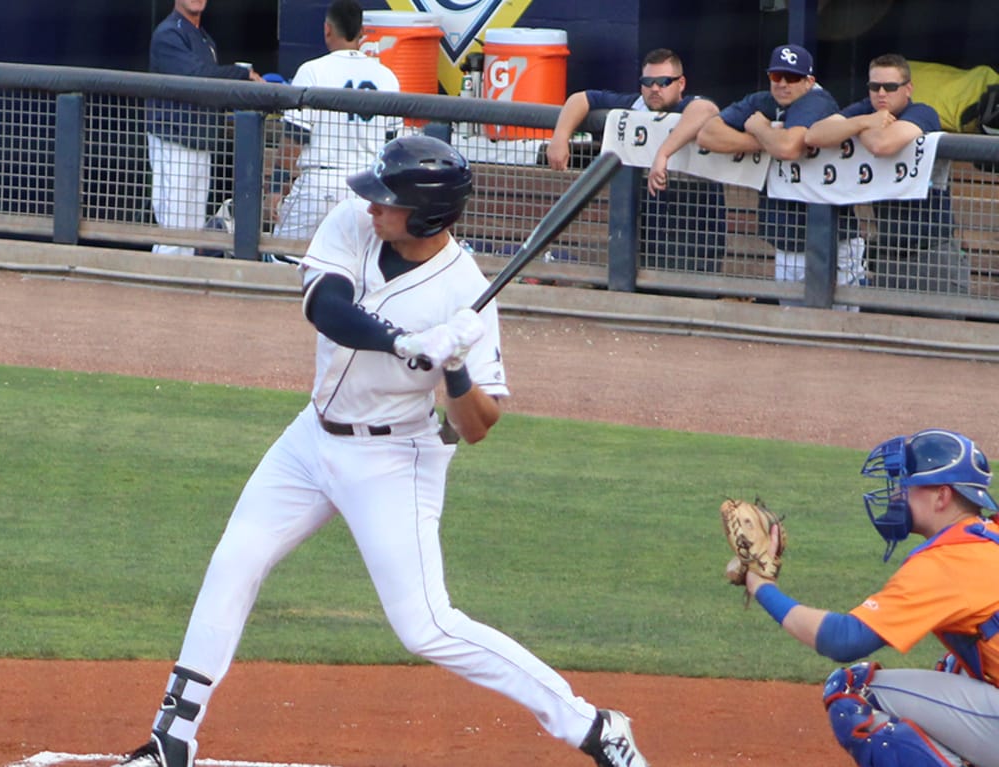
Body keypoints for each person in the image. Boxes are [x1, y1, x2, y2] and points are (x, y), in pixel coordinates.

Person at [116, 135, 650, 767]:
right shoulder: (353, 223)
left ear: (424, 214)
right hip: (311, 438)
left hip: (395, 460)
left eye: (386, 200)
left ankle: (595, 726)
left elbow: (477, 425)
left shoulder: (465, 292)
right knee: (235, 561)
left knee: (427, 625)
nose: (371, 207)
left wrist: (452, 366)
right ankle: (170, 739)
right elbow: (325, 306)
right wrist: (403, 344)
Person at [738, 428, 999, 767]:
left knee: (852, 689)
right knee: (954, 667)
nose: (895, 496)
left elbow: (842, 640)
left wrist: (760, 586)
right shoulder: (989, 536)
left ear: (941, 496)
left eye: (905, 486)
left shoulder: (948, 563)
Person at [548, 48, 724, 273]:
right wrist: (560, 137)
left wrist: (663, 154)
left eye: (663, 82)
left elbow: (707, 110)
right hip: (648, 238)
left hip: (697, 237)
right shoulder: (634, 105)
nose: (655, 89)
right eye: (648, 82)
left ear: (681, 84)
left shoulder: (690, 105)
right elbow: (581, 98)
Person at [805, 54, 968, 296]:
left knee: (943, 331)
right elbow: (814, 135)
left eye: (890, 87)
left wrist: (857, 127)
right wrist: (867, 120)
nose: (881, 93)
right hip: (889, 253)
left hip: (933, 252)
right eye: (874, 86)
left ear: (908, 89)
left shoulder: (923, 112)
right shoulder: (866, 111)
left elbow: (883, 144)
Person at [697, 44, 845, 292]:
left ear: (809, 81)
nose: (783, 84)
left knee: (838, 316)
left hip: (831, 232)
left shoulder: (817, 101)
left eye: (792, 77)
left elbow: (788, 148)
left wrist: (759, 128)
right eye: (776, 76)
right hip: (788, 231)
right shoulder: (763, 100)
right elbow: (707, 134)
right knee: (790, 313)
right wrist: (765, 142)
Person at [268, 0, 402, 249]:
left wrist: (277, 185)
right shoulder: (387, 76)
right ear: (361, 33)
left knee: (283, 257)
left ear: (327, 29)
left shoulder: (313, 71)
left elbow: (294, 140)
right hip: (366, 188)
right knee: (358, 265)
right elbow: (392, 148)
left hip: (321, 184)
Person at [148, 0, 263, 256]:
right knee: (174, 229)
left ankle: (184, 291)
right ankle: (156, 291)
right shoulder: (169, 33)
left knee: (192, 230)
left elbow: (212, 86)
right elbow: (196, 77)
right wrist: (242, 75)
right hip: (174, 140)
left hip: (201, 143)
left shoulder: (205, 39)